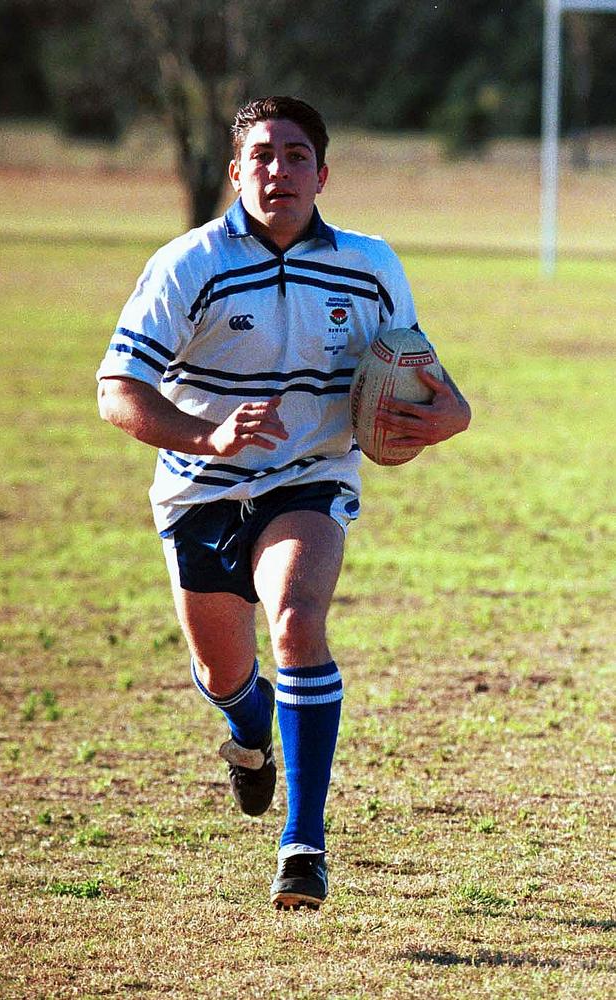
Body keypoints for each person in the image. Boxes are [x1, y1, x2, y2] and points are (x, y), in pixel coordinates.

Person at [97, 96, 471, 910]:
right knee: (222, 671)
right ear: (236, 173)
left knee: (298, 620)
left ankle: (303, 843)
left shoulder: (370, 264)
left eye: (296, 156)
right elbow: (116, 391)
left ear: (323, 173)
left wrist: (449, 415)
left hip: (311, 476)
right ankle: (247, 724)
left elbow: (429, 377)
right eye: (262, 156)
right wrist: (209, 434)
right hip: (200, 488)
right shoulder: (187, 265)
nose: (279, 171)